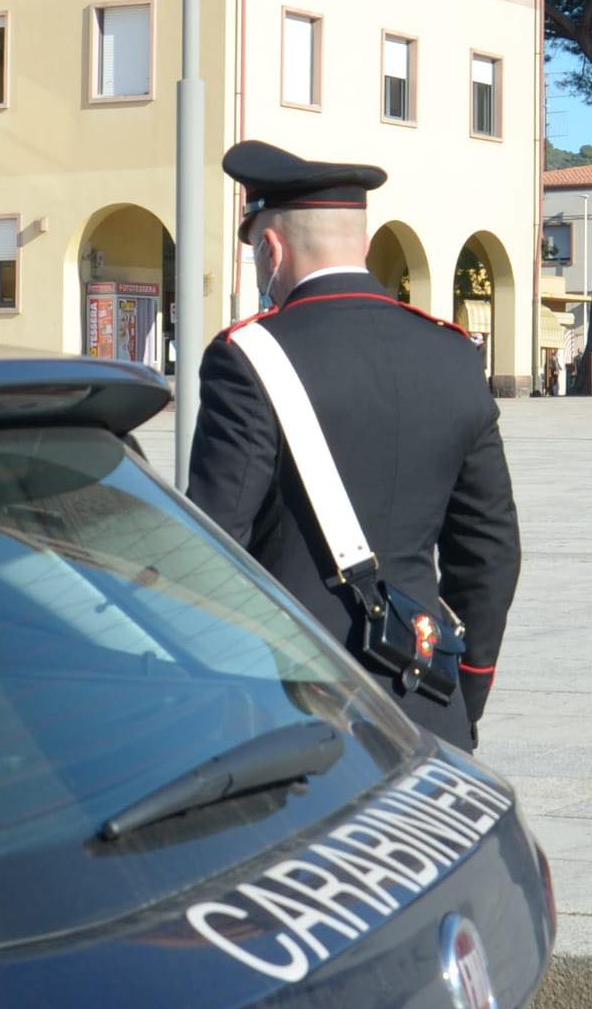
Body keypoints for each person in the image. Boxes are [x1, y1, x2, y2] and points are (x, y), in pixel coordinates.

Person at [187, 141, 521, 751]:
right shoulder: (451, 352)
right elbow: (491, 551)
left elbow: (215, 546)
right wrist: (464, 688)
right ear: (362, 244)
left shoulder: (248, 357)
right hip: (427, 694)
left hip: (294, 706)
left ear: (270, 248)